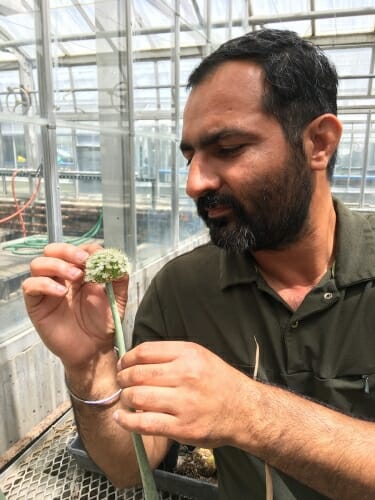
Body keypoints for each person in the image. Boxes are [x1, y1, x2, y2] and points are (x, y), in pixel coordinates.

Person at [22, 29, 375, 499]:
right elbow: (131, 463)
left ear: (319, 143)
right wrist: (90, 367)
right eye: (190, 155)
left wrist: (246, 410)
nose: (193, 183)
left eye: (227, 149)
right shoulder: (185, 288)